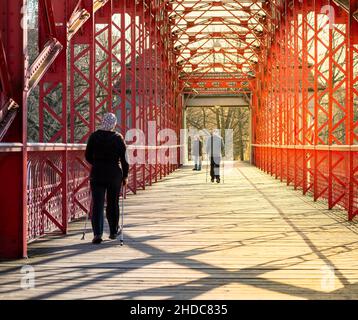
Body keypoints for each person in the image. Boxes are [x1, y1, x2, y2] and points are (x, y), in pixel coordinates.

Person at [85, 113, 129, 244]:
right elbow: (125, 159)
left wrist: (97, 163)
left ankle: (97, 234)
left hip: (97, 173)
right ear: (114, 124)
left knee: (97, 204)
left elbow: (87, 156)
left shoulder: (94, 136)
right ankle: (113, 231)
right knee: (112, 203)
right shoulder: (118, 138)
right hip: (114, 174)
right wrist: (125, 175)